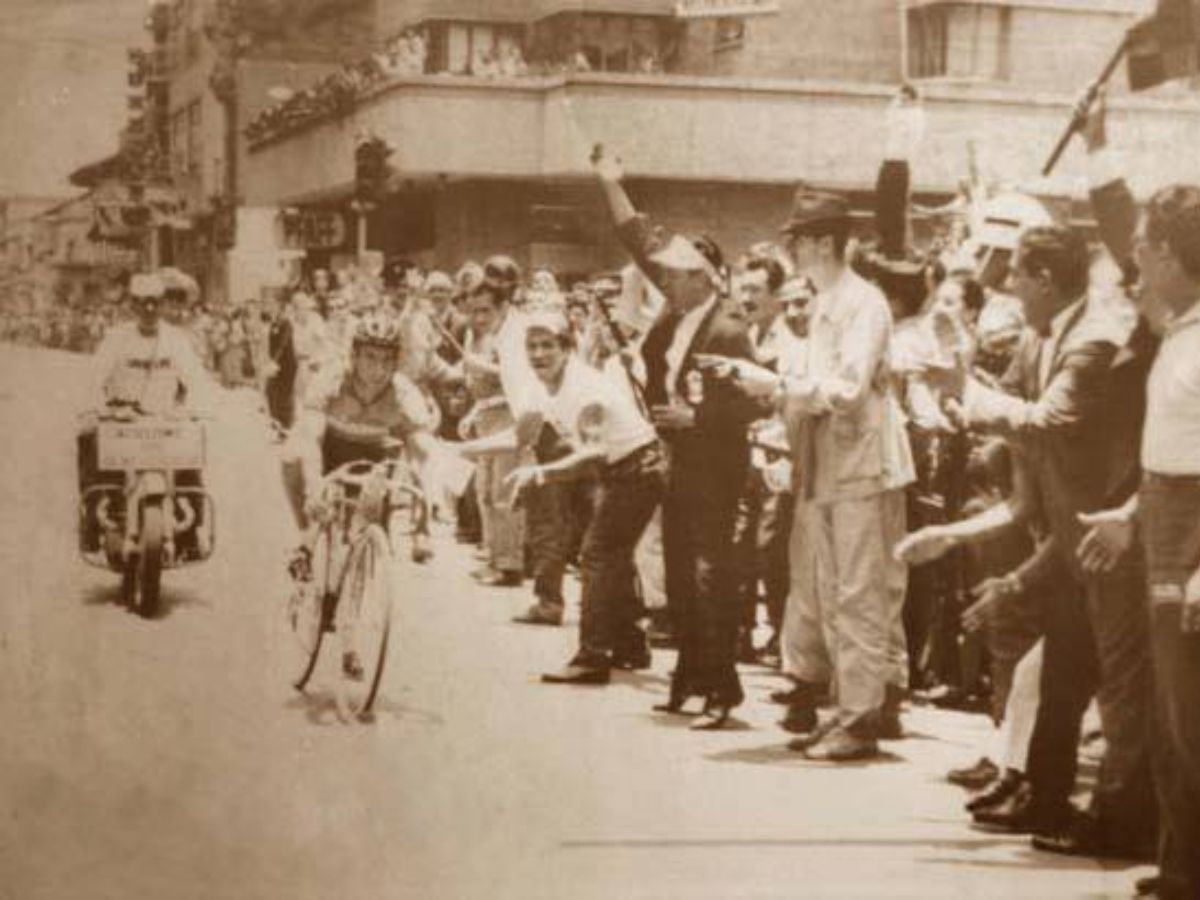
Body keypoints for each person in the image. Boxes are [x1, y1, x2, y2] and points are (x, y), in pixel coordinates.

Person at [899, 223, 1155, 855]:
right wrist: (948, 534)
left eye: (1013, 272)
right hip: (1077, 549)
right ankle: (1047, 798)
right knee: (1062, 680)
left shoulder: (1090, 342)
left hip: (1115, 549)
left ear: (1044, 279)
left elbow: (1043, 423)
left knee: (1120, 697)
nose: (1005, 284)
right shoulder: (1043, 340)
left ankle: (1124, 823)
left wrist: (967, 391)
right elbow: (1022, 489)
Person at [709, 188, 916, 759]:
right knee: (830, 590)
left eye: (798, 241)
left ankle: (862, 718)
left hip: (863, 467)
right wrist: (768, 382)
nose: (793, 251)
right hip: (829, 466)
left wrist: (773, 385)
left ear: (824, 242)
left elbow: (846, 391)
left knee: (859, 592)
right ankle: (848, 707)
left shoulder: (862, 303)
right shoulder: (828, 302)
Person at [594, 143, 759, 729]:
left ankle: (723, 688)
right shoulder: (677, 309)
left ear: (702, 277)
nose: (661, 276)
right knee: (684, 575)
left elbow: (750, 401)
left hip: (716, 464)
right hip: (679, 460)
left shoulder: (729, 326)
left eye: (674, 272)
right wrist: (612, 182)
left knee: (711, 574)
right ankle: (691, 673)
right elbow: (637, 240)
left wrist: (698, 419)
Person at [280, 314, 437, 677]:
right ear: (354, 355)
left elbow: (421, 446)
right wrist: (315, 486)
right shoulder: (333, 378)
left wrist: (427, 501)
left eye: (386, 360)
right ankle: (306, 539)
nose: (377, 369)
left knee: (360, 540)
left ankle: (349, 641)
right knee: (291, 456)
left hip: (375, 456)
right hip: (329, 447)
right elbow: (310, 438)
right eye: (369, 358)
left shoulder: (403, 392)